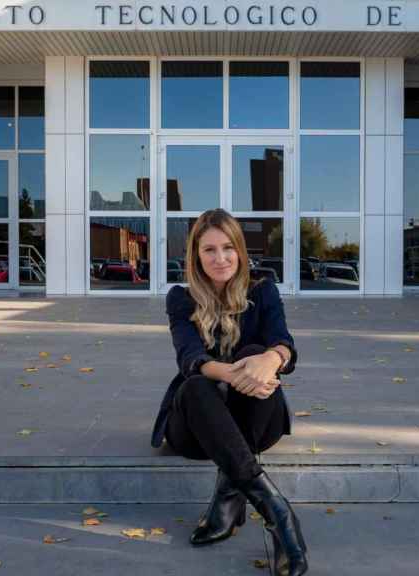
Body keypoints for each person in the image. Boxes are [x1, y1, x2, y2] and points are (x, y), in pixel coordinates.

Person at [150, 209, 308, 576]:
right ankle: (278, 513)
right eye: (209, 250)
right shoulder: (181, 299)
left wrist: (271, 359)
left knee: (257, 353)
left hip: (256, 420)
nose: (220, 259)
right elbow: (190, 358)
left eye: (227, 248)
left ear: (239, 250)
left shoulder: (263, 290)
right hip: (195, 429)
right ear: (196, 256)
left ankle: (229, 495)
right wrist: (242, 375)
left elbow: (283, 341)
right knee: (195, 385)